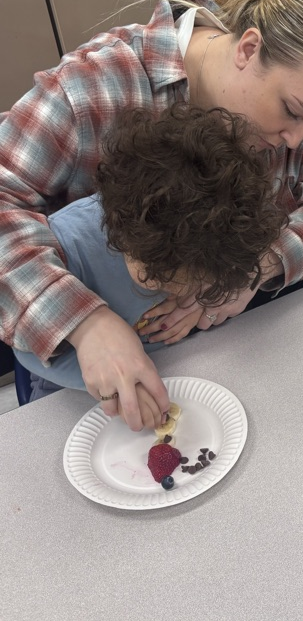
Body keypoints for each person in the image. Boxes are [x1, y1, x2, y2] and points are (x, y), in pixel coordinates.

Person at [0, 0, 303, 432]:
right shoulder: (94, 86)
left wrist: (254, 269)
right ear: (247, 50)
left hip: (215, 301)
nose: (296, 141)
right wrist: (87, 325)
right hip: (113, 314)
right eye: (292, 112)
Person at [14, 104, 285, 421]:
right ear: (124, 233)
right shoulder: (68, 244)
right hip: (68, 394)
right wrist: (118, 380)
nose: (180, 294)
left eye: (196, 284)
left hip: (174, 372)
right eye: (161, 280)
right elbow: (27, 348)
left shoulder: (211, 242)